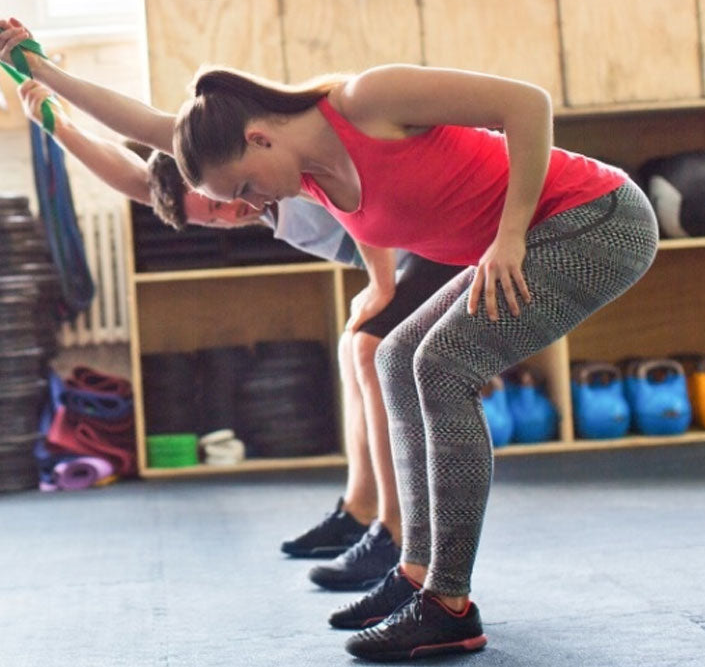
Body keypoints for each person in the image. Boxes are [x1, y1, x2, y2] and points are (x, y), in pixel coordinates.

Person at [171, 62, 658, 661]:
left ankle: (448, 603)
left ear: (259, 138)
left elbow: (528, 103)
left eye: (246, 187)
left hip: (595, 222)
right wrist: (45, 83)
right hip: (543, 231)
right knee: (397, 355)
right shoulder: (312, 171)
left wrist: (508, 237)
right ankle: (416, 570)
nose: (254, 204)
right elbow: (148, 125)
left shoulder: (366, 97)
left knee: (443, 366)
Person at [0, 19, 460, 615]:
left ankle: (393, 534)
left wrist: (382, 282)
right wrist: (58, 125)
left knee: (367, 346)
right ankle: (360, 511)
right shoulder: (246, 198)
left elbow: (359, 192)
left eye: (216, 203)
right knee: (355, 349)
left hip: (426, 237)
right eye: (212, 218)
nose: (229, 213)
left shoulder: (266, 165)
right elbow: (138, 180)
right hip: (409, 244)